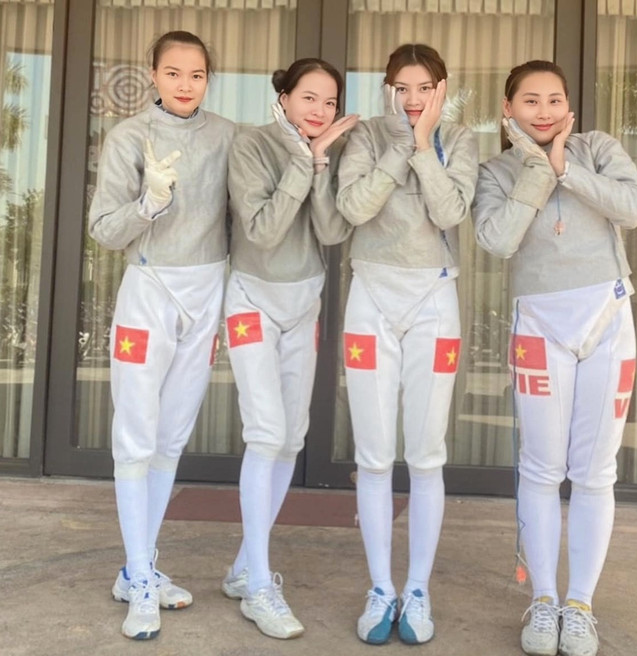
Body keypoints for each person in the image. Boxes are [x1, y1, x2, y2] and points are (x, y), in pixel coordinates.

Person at [472, 60, 637, 656]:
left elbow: (635, 207)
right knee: (541, 468)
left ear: (569, 106)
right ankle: (544, 599)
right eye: (530, 101)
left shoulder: (596, 149)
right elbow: (497, 240)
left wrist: (566, 169)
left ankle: (580, 606)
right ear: (508, 109)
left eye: (554, 100)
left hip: (607, 316)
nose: (543, 111)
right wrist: (536, 171)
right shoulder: (494, 170)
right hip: (539, 325)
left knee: (596, 471)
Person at [88, 31, 234, 640]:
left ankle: (138, 568)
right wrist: (148, 204)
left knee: (171, 439)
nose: (184, 85)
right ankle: (141, 578)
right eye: (173, 72)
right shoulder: (129, 137)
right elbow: (103, 228)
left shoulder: (227, 136)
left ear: (208, 79)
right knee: (136, 439)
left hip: (206, 293)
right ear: (152, 74)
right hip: (149, 291)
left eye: (196, 75)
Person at [336, 44, 479, 645]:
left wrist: (424, 145)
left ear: (443, 88)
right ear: (387, 88)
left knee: (425, 454)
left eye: (425, 87)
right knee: (373, 455)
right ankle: (380, 587)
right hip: (370, 292)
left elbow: (449, 213)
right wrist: (401, 145)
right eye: (402, 87)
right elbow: (353, 207)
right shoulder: (367, 136)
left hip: (434, 300)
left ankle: (417, 589)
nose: (413, 98)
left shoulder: (461, 139)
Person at [220, 58, 358, 640]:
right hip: (252, 299)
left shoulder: (327, 150)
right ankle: (259, 584)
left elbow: (330, 231)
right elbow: (264, 230)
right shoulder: (251, 145)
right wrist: (306, 159)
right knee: (265, 433)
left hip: (305, 303)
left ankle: (243, 565)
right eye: (309, 97)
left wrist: (321, 162)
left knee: (291, 438)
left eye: (329, 102)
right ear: (283, 97)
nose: (319, 111)